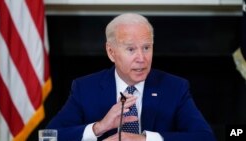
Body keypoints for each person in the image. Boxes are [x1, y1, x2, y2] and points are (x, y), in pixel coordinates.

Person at [46, 13, 216, 141]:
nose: (142, 58)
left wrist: (145, 139)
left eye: (146, 48)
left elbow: (205, 137)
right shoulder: (85, 88)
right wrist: (98, 128)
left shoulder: (174, 88)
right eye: (131, 49)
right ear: (111, 52)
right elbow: (47, 137)